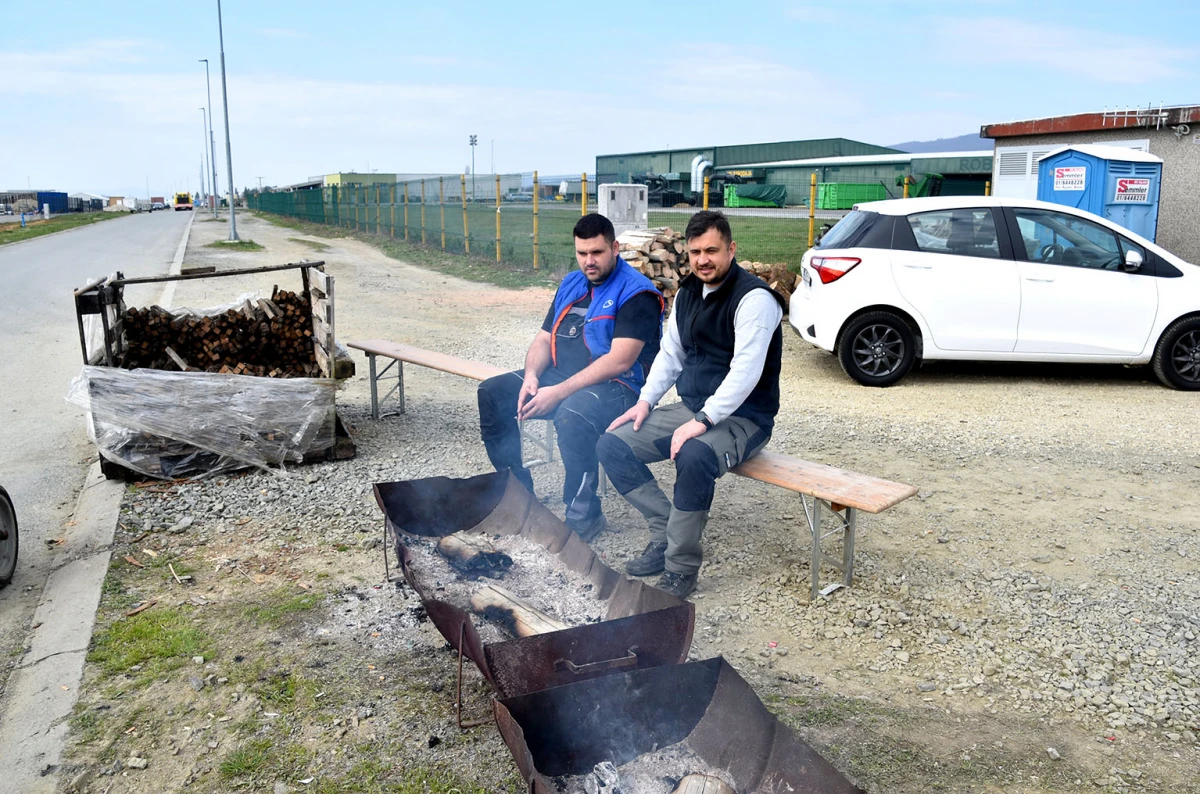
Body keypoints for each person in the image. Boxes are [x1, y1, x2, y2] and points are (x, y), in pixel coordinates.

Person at [596, 210, 785, 598]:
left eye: (712, 250)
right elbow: (670, 355)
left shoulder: (755, 300)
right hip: (694, 407)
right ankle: (665, 531)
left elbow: (746, 372)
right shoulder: (687, 293)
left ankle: (681, 566)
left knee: (694, 456)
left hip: (745, 417)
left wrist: (702, 420)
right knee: (611, 443)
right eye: (696, 251)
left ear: (731, 249)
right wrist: (646, 401)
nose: (703, 260)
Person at [477, 213, 663, 540]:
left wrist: (558, 392)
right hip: (561, 379)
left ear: (615, 248)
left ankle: (584, 515)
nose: (588, 261)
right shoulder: (571, 283)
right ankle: (519, 497)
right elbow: (542, 338)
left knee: (572, 415)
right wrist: (533, 377)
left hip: (617, 389)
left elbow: (620, 362)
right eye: (582, 253)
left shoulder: (638, 293)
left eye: (597, 253)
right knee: (492, 393)